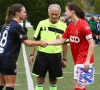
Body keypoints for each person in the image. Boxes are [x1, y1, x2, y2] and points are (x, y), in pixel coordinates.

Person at [44, 2, 94, 90]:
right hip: (77, 58)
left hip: (84, 58)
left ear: (72, 12)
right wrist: (47, 42)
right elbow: (62, 40)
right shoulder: (70, 26)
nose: (65, 13)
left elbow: (91, 44)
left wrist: (87, 61)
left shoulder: (84, 25)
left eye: (66, 11)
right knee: (81, 84)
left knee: (77, 84)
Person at [0, 4, 46, 90]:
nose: (26, 14)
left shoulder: (5, 25)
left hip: (1, 57)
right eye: (24, 12)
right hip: (8, 60)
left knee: (1, 83)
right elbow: (27, 42)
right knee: (10, 86)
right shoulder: (17, 26)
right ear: (17, 13)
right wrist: (40, 42)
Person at [29, 4, 68, 90]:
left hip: (56, 56)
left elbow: (65, 44)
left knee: (53, 81)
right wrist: (31, 54)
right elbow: (36, 40)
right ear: (48, 13)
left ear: (59, 14)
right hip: (42, 55)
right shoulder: (42, 23)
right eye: (52, 14)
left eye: (56, 14)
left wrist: (64, 59)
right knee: (40, 79)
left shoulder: (64, 26)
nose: (54, 16)